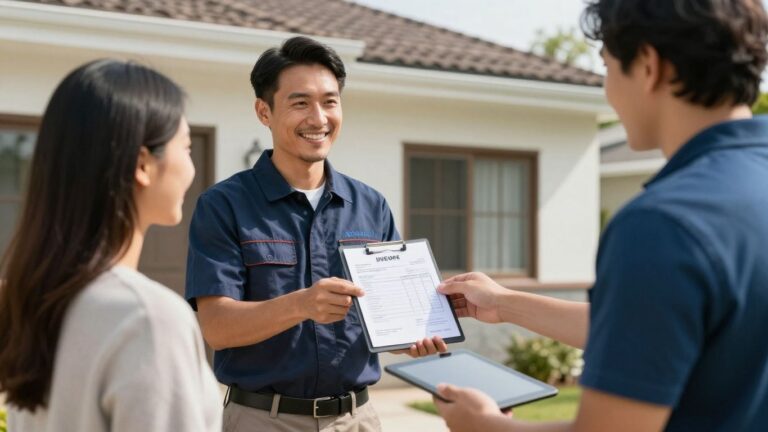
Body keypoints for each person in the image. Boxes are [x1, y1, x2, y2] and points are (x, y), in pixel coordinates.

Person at [433, 0, 768, 431]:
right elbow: (652, 327)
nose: (608, 91)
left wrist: (484, 425)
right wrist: (504, 303)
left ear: (648, 65)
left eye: (608, 67)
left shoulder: (663, 225)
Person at [185, 36, 446, 432]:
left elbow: (385, 315)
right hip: (263, 420)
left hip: (357, 420)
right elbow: (217, 327)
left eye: (329, 101)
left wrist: (410, 337)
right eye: (300, 103)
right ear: (264, 111)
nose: (319, 118)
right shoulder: (224, 205)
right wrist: (301, 304)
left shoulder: (370, 204)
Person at [0, 59, 221, 431]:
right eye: (185, 148)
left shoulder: (37, 303)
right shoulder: (148, 318)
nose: (191, 168)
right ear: (142, 165)